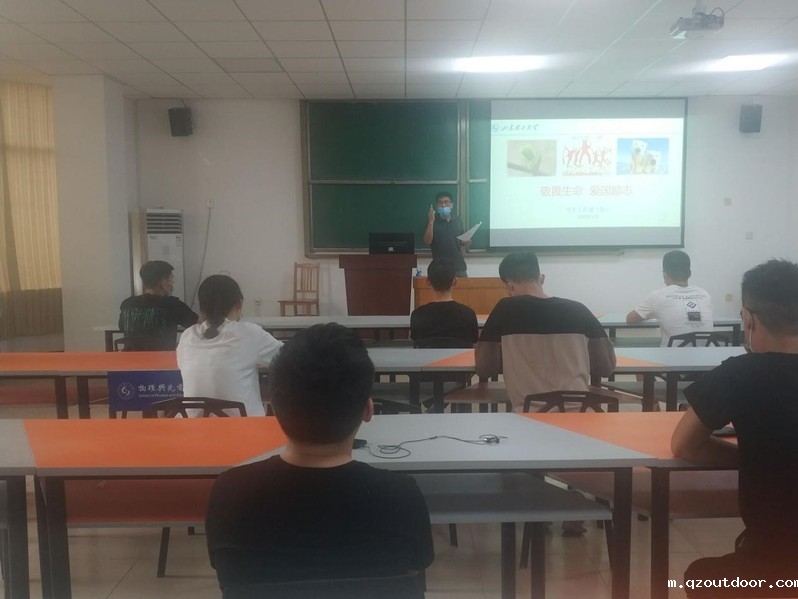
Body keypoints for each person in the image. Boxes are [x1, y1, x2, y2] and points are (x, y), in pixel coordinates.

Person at [205, 323, 434, 593]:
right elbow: (416, 568)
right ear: (367, 410)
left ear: (274, 408)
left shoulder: (230, 493)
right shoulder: (401, 496)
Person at [672, 259, 798, 598]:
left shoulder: (739, 374)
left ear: (748, 319)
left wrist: (750, 457)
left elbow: (684, 445)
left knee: (699, 578)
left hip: (773, 562)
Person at [475, 251, 616, 410]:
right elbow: (606, 368)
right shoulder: (579, 310)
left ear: (509, 286)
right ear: (541, 278)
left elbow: (484, 368)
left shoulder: (504, 309)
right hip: (579, 413)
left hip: (529, 414)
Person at [176, 275, 282, 417]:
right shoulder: (249, 333)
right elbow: (290, 359)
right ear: (239, 304)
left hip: (194, 428)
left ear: (202, 307)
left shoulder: (187, 336)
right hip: (244, 428)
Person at [627, 250, 714, 346]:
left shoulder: (658, 296)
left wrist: (652, 314)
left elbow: (630, 319)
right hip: (707, 353)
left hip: (673, 355)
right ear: (689, 274)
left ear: (664, 275)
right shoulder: (704, 294)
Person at [118, 260, 198, 351]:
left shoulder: (127, 304)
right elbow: (198, 325)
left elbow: (122, 327)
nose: (172, 284)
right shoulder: (173, 305)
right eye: (171, 279)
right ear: (163, 282)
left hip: (130, 358)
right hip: (161, 359)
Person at [410, 259, 478, 348]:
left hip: (428, 357)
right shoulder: (468, 314)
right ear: (454, 281)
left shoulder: (418, 314)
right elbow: (474, 340)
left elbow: (416, 340)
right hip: (460, 357)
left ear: (428, 281)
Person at [423, 191, 469, 277]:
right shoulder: (432, 221)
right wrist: (431, 221)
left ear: (451, 205)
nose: (443, 205)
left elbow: (461, 242)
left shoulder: (458, 221)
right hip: (440, 267)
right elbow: (427, 241)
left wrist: (467, 242)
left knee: (463, 286)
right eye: (440, 203)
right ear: (437, 206)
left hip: (458, 267)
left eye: (446, 202)